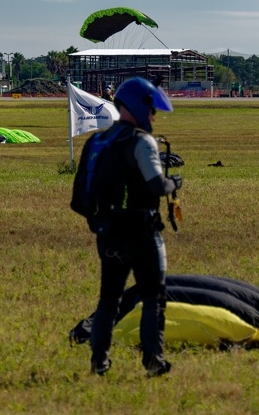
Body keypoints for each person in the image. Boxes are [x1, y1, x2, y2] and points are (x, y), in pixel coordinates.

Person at [78, 76, 180, 378]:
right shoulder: (141, 141)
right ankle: (153, 361)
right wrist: (175, 182)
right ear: (139, 105)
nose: (154, 116)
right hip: (141, 233)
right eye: (151, 109)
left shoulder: (99, 140)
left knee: (108, 299)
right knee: (153, 298)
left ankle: (99, 362)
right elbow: (156, 186)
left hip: (107, 232)